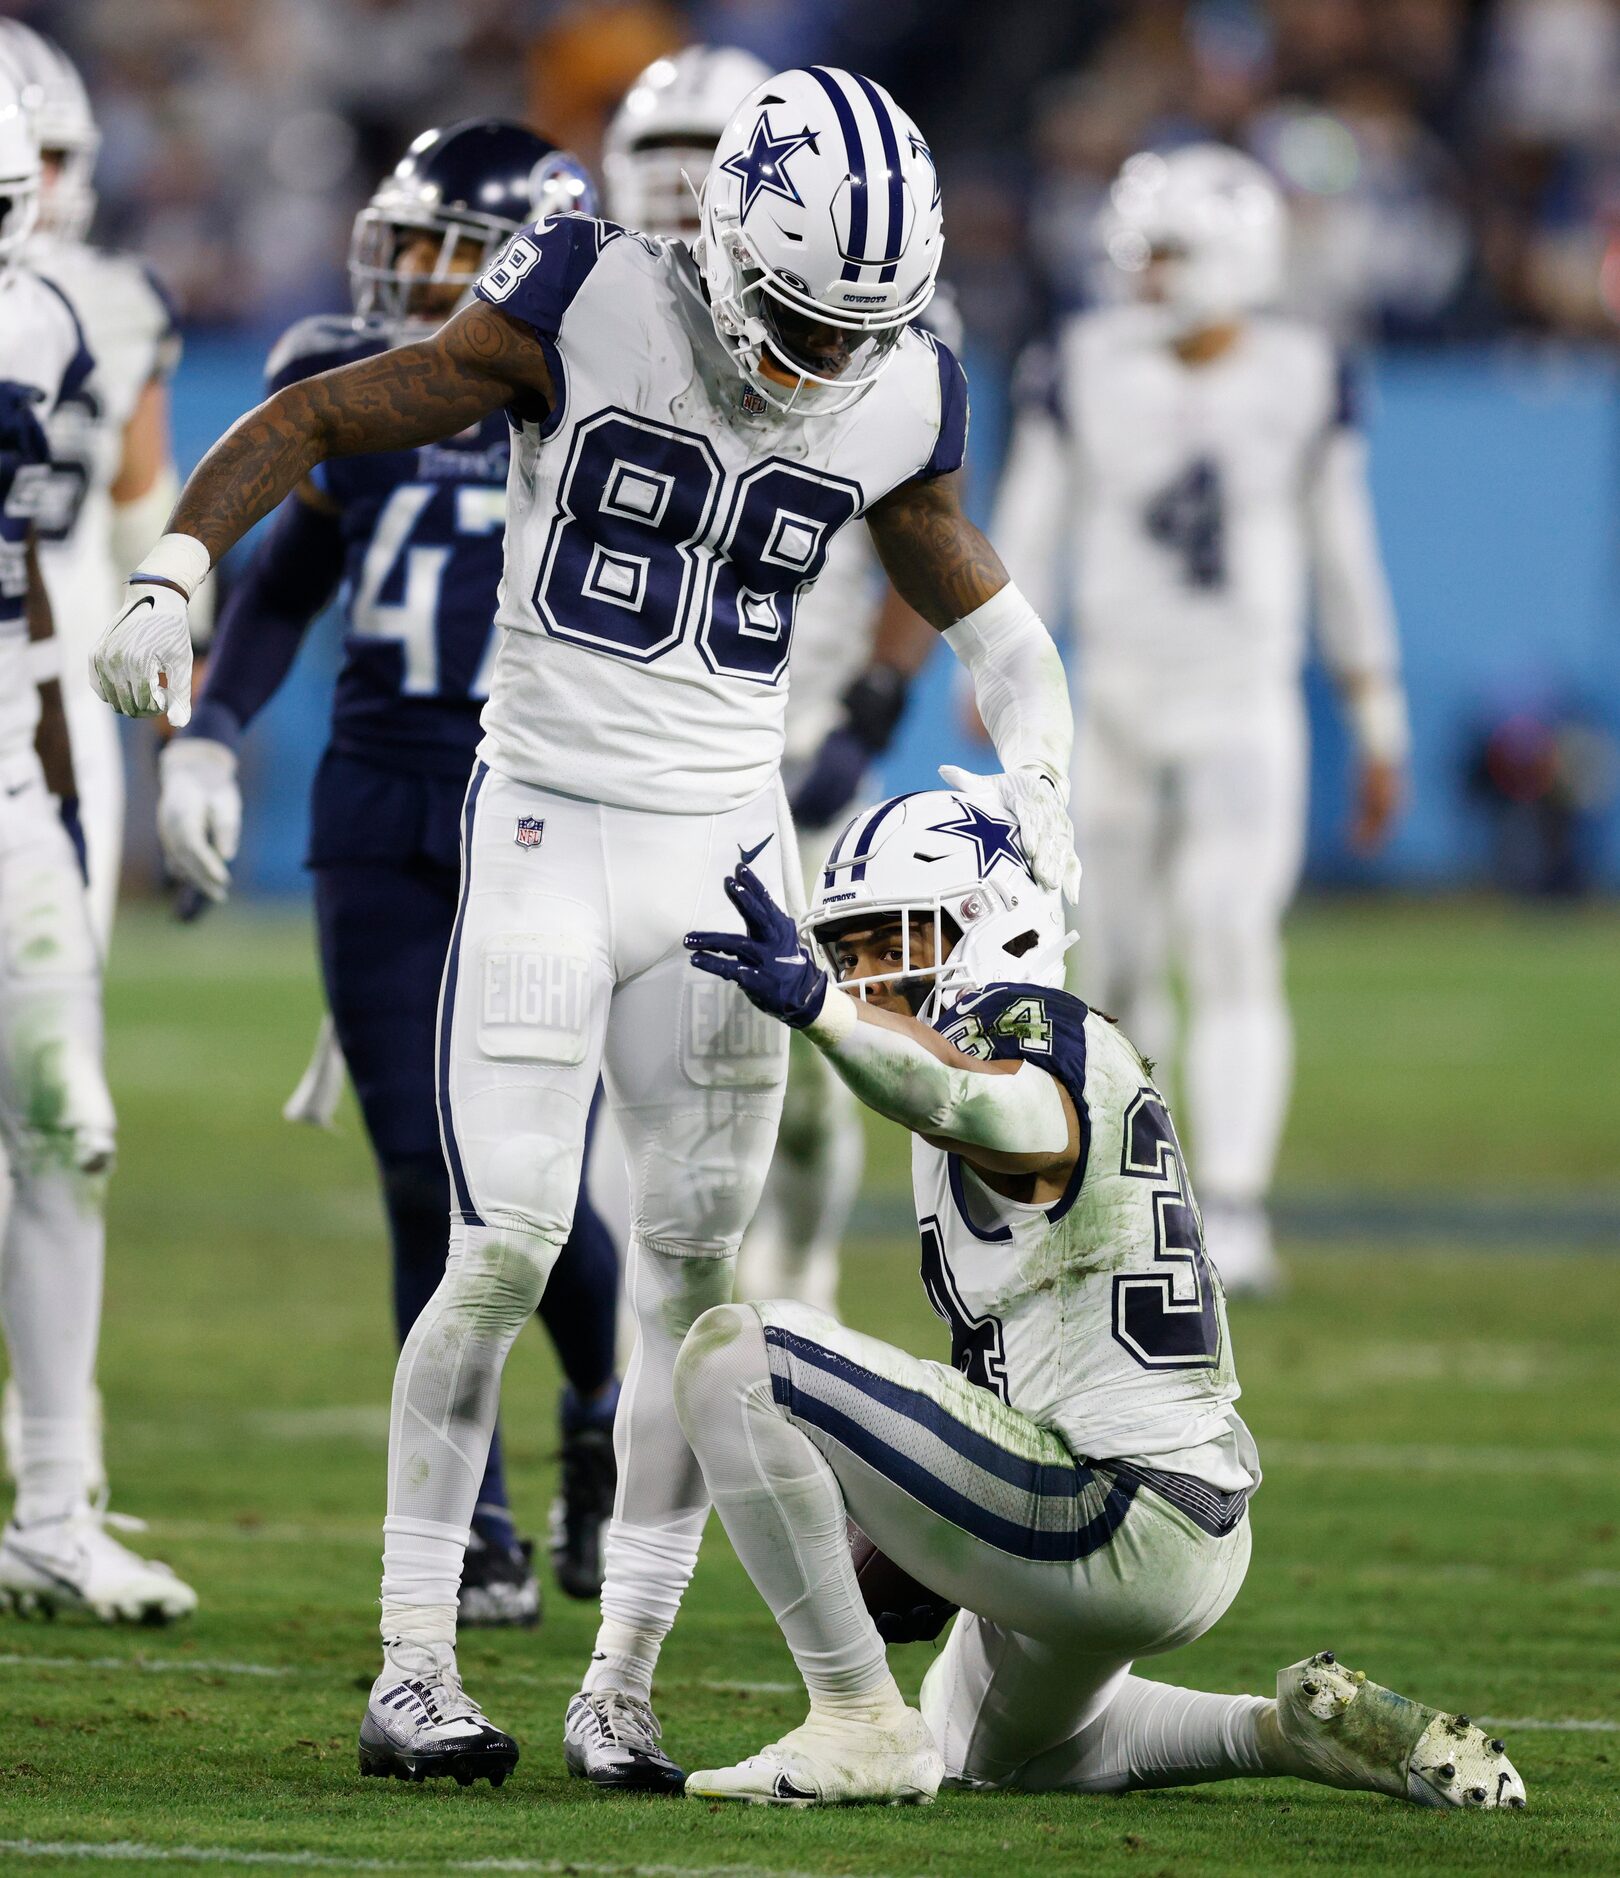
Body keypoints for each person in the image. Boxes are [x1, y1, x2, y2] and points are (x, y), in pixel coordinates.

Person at [90, 65, 1081, 1791]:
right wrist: (177, 567)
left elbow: (981, 606)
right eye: (795, 316)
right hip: (545, 822)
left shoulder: (899, 379)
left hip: (729, 854)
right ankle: (415, 1659)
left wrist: (1051, 775)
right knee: (504, 1246)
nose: (823, 363)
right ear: (723, 240)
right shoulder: (591, 292)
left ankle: (619, 1678)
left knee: (700, 1297)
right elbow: (327, 416)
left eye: (861, 331)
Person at [676, 788, 1523, 1811]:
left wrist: (821, 1010)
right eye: (844, 954)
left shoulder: (1023, 1028)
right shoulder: (1039, 1039)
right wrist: (921, 1534)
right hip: (1186, 1524)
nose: (865, 977)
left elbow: (971, 1093)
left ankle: (855, 1721)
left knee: (736, 1355)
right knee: (991, 1750)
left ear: (990, 923)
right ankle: (1284, 1733)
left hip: (1111, 1505)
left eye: (887, 941)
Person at [155, 120, 620, 1628]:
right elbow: (291, 583)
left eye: (435, 249)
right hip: (378, 795)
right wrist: (213, 727)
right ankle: (471, 1519)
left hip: (548, 804)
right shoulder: (348, 373)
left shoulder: (600, 379)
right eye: (404, 244)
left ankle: (607, 1407)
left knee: (526, 1177)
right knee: (422, 1166)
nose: (401, 273)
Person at [993, 145, 1410, 1295]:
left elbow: (1343, 553)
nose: (1145, 274)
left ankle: (1232, 1203)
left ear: (1237, 253)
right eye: (1140, 250)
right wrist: (1009, 695)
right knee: (1117, 959)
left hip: (1241, 700)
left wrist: (1380, 713)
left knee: (1228, 934)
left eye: (1168, 251)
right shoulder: (1079, 363)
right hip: (1115, 698)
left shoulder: (1301, 371)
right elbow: (1025, 543)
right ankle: (1142, 1194)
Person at [604, 46, 945, 1316]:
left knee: (810, 1073)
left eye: (710, 156)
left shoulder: (880, 333)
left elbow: (933, 551)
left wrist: (869, 712)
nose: (681, 181)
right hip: (637, 757)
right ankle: (656, 1351)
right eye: (657, 155)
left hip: (803, 754)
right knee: (623, 1080)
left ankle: (798, 1292)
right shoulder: (587, 307)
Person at [0, 67, 195, 1623]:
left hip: (14, 783)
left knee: (70, 1122)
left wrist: (71, 795)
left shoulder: (54, 324)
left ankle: (55, 1503)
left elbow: (36, 588)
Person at [0, 20, 198, 950]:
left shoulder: (119, 303)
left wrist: (181, 735)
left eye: (47, 156)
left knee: (50, 1018)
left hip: (63, 688)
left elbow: (138, 521)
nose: (30, 183)